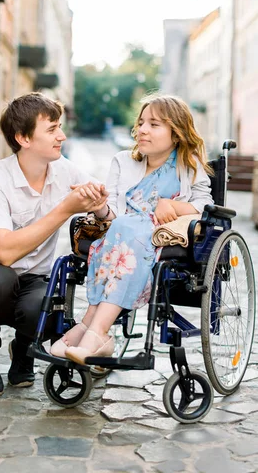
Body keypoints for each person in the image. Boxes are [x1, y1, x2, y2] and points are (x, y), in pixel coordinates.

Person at [0, 92, 108, 397]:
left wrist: (102, 205)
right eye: (52, 129)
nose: (62, 136)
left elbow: (108, 208)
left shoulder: (65, 170)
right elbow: (5, 251)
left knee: (47, 306)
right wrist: (65, 209)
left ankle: (24, 350)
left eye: (60, 127)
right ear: (23, 138)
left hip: (35, 282)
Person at [50, 94, 214, 364]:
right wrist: (99, 206)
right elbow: (112, 214)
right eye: (141, 123)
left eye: (154, 124)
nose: (142, 130)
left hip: (158, 237)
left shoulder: (189, 165)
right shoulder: (122, 161)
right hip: (120, 234)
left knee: (128, 233)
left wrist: (169, 205)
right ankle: (95, 331)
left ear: (176, 133)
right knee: (122, 228)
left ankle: (93, 329)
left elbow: (204, 205)